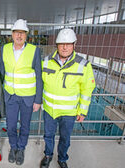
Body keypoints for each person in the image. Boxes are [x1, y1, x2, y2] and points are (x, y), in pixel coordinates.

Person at [40, 28, 96, 168]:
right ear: (57, 45)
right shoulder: (46, 61)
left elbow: (87, 90)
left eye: (68, 44)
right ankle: (48, 156)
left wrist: (82, 111)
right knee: (48, 136)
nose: (65, 47)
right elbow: (39, 83)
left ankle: (62, 159)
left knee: (65, 138)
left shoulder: (83, 65)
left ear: (74, 45)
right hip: (49, 110)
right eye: (61, 44)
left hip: (69, 113)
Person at [0, 19, 42, 165]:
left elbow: (39, 76)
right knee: (10, 125)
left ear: (26, 35)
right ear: (12, 34)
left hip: (28, 97)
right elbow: (2, 73)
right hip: (10, 95)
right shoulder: (4, 49)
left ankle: (21, 148)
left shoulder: (34, 50)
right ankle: (13, 147)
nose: (19, 36)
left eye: (22, 33)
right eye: (17, 33)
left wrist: (38, 100)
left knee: (25, 125)